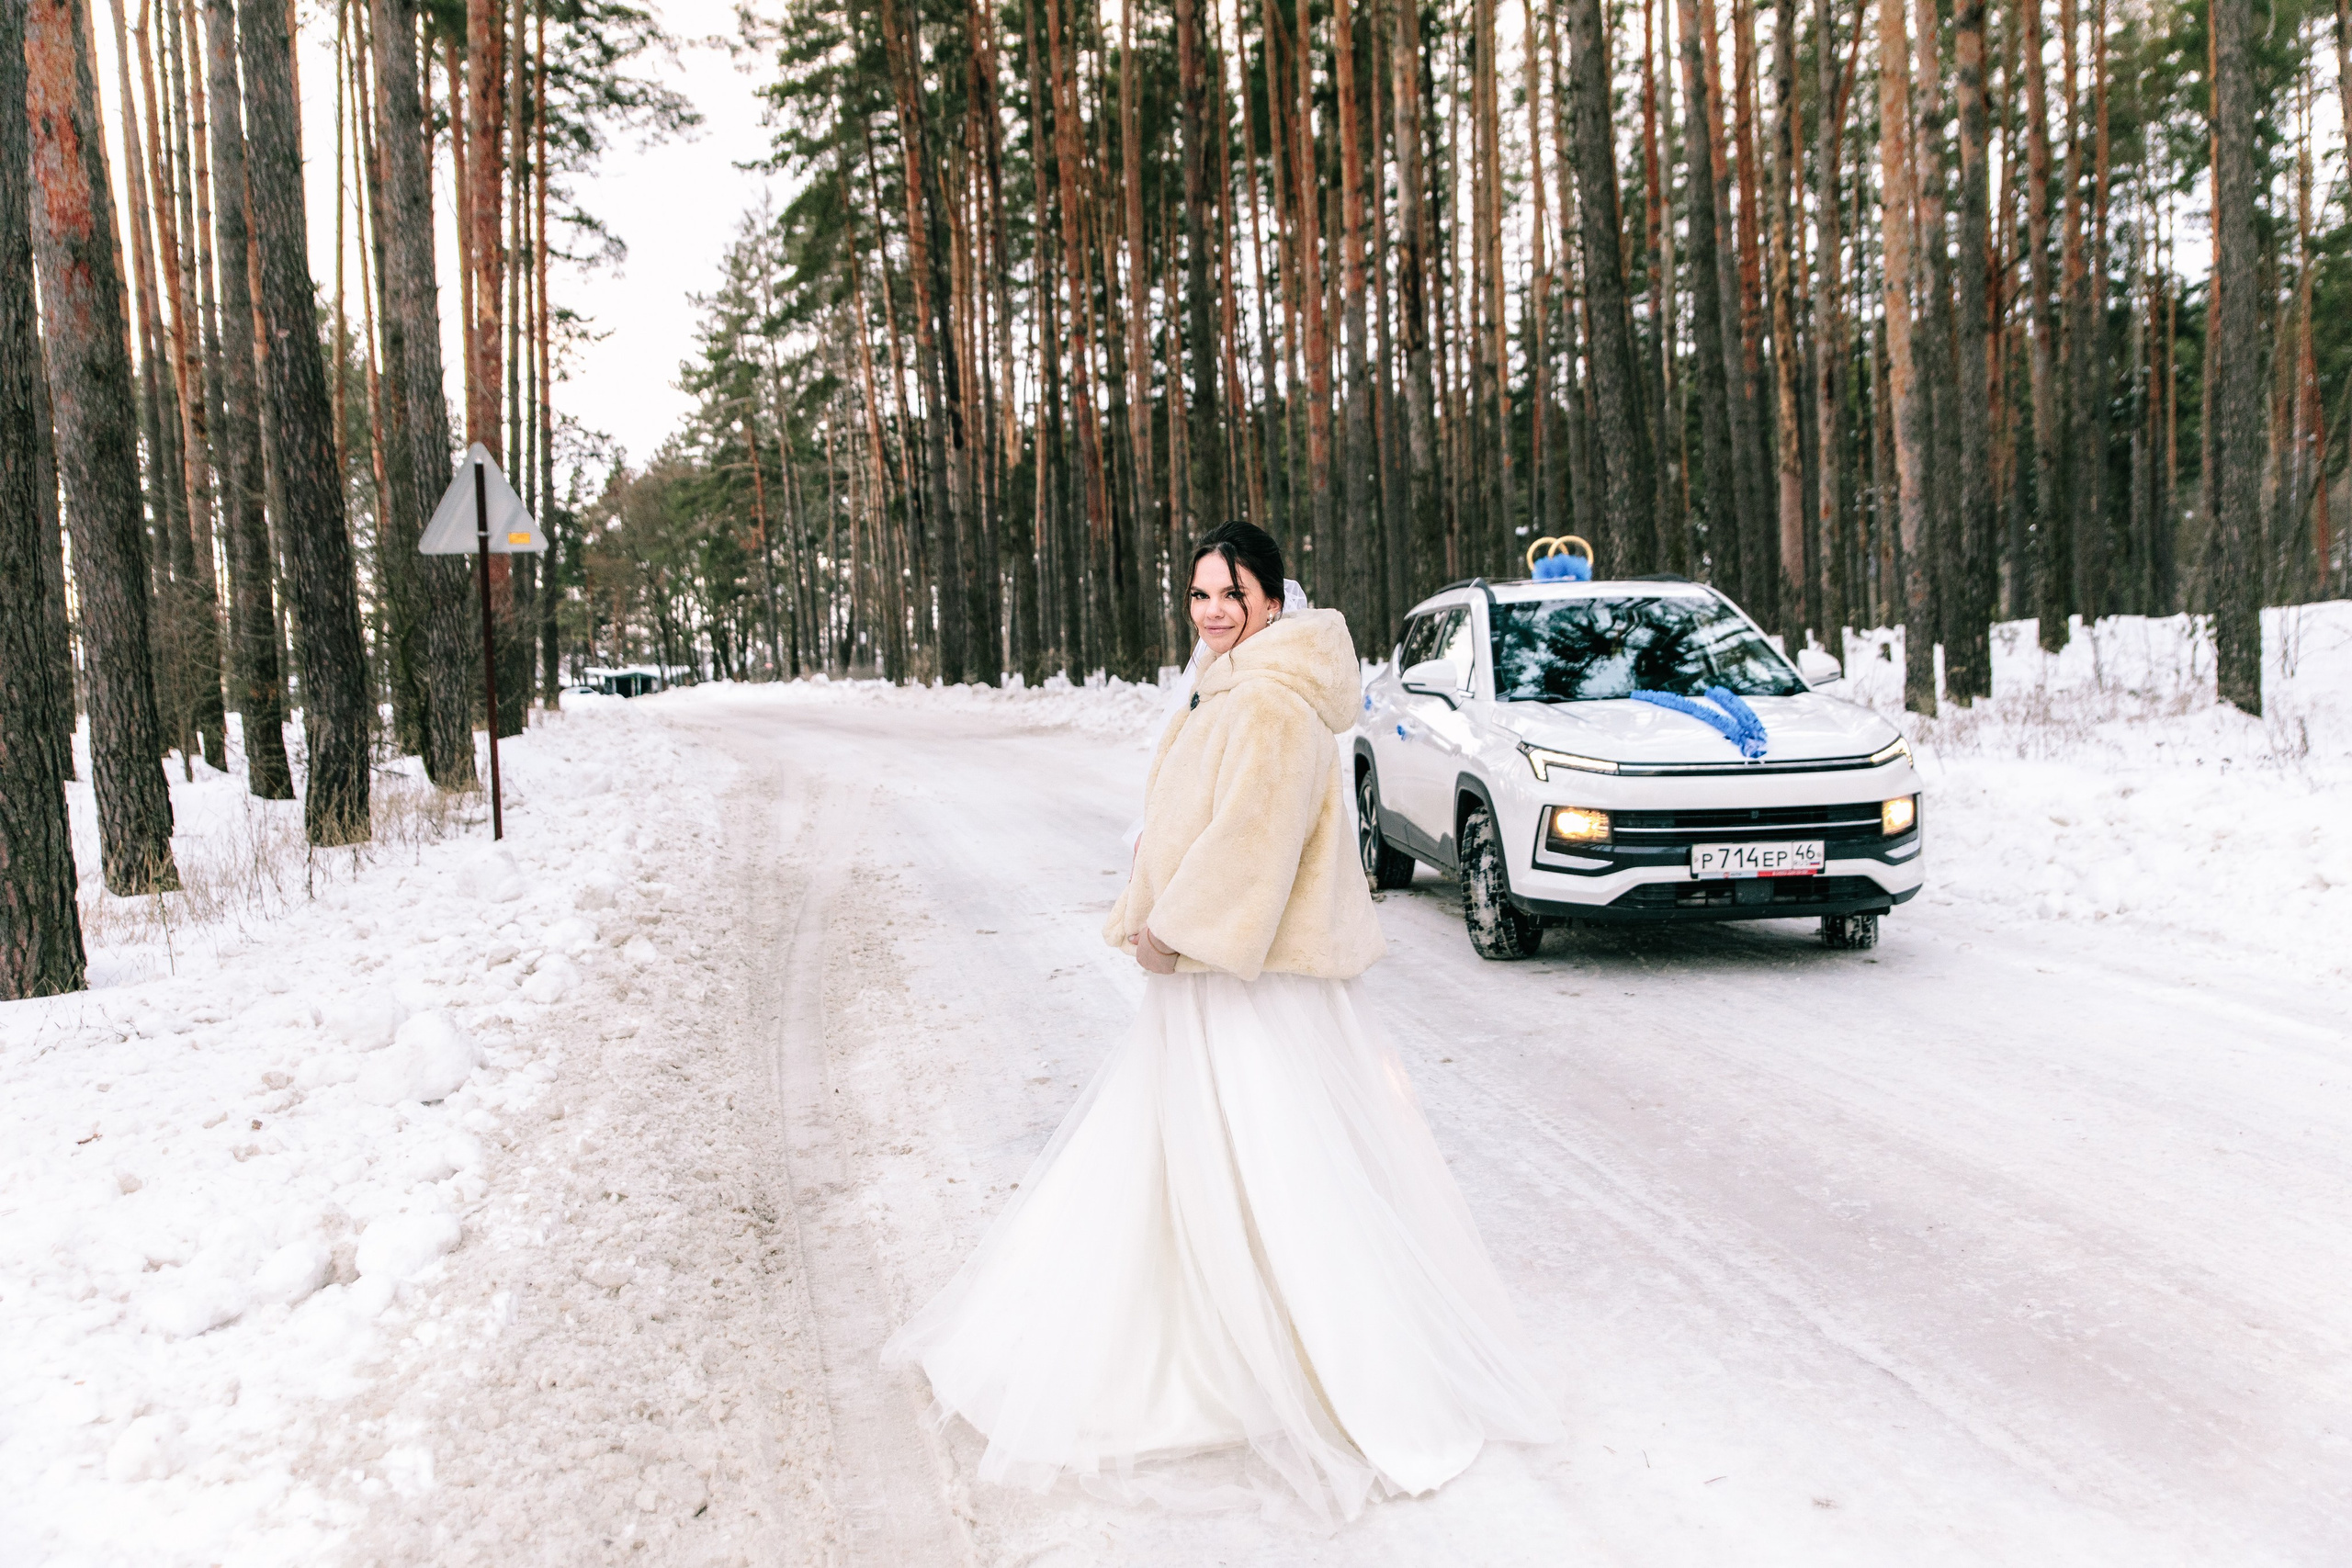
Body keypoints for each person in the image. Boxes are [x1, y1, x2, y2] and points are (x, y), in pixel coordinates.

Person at [883, 522, 1560, 1524]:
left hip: (1249, 977)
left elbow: (1256, 842)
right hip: (1215, 970)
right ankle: (1207, 1339)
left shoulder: (1273, 705)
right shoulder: (1229, 683)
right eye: (1199, 593)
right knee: (1191, 1158)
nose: (1211, 611)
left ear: (1272, 599)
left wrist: (1174, 929)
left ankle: (1312, 1363)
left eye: (1230, 594)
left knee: (1278, 1164)